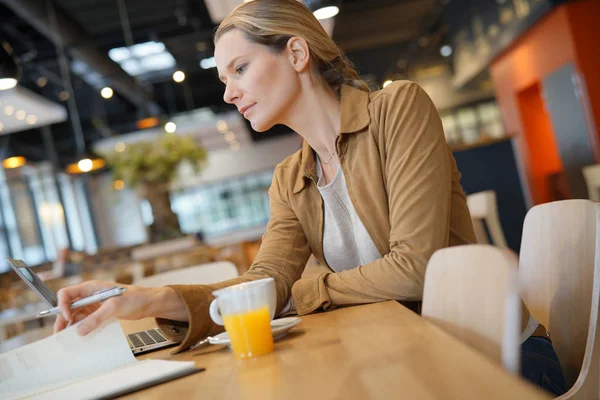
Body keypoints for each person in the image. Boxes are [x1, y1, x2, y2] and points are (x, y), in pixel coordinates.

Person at [54, 0, 564, 394]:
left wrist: (308, 290)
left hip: (493, 358)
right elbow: (264, 284)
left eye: (240, 69)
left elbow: (416, 267)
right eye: (223, 78)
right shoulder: (289, 177)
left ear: (297, 53)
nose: (228, 93)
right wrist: (149, 299)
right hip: (406, 356)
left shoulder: (397, 109)